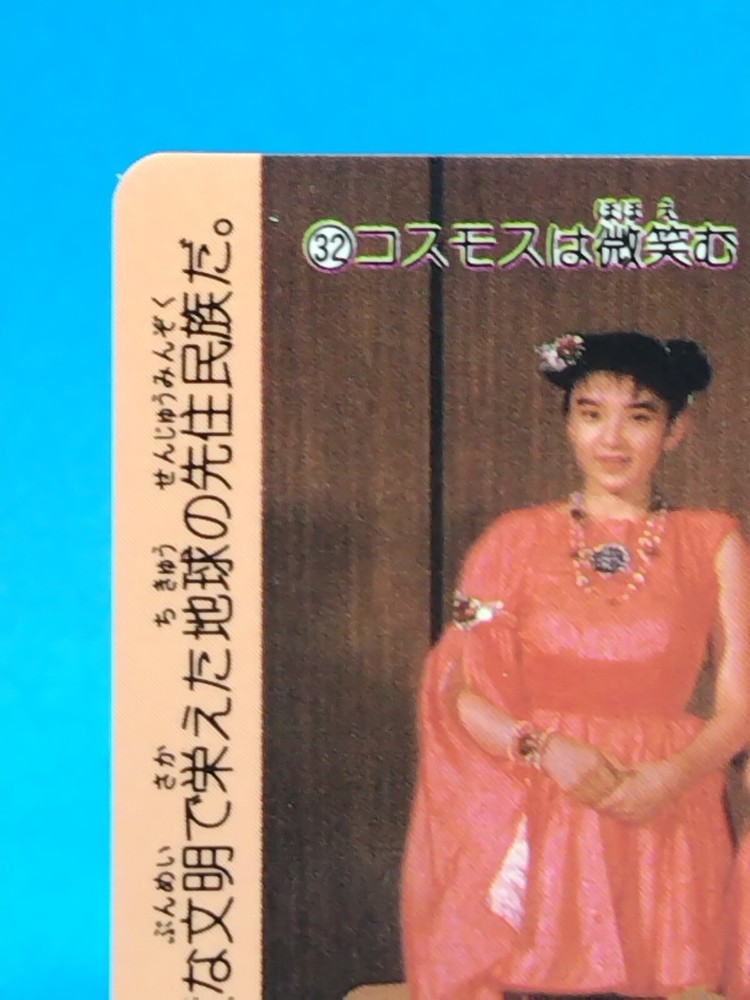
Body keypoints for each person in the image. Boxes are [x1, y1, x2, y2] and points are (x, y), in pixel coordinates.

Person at [401, 331, 750, 1000]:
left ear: (676, 429)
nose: (611, 439)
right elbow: (459, 687)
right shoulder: (512, 540)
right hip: (546, 803)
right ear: (568, 422)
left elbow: (739, 709)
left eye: (639, 416)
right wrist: (545, 748)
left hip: (664, 810)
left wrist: (669, 777)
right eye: (592, 414)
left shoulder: (714, 541)